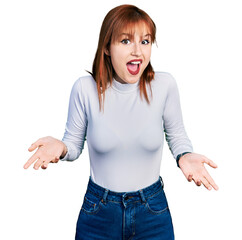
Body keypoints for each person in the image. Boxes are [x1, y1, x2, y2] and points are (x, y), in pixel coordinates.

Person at [24, 4, 218, 240]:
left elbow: (176, 136)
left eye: (145, 41)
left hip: (152, 212)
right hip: (98, 213)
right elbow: (73, 144)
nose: (138, 51)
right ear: (107, 47)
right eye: (126, 41)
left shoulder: (164, 86)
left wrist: (184, 155)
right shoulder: (85, 89)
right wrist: (62, 148)